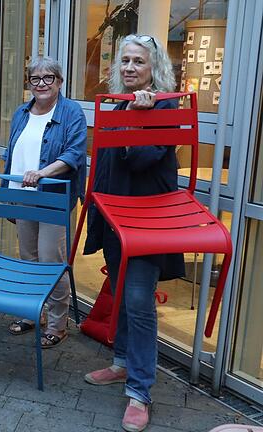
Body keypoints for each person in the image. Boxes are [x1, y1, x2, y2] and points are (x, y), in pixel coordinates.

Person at [82, 34, 182, 432]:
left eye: (138, 61)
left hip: (146, 222)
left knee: (139, 301)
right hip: (113, 218)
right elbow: (105, 162)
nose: (129, 68)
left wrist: (139, 116)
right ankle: (123, 364)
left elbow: (142, 159)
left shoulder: (164, 106)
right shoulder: (116, 102)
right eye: (125, 60)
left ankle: (140, 392)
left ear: (154, 67)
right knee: (122, 293)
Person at [2, 56, 87, 348]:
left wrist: (41, 174)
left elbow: (74, 155)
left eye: (48, 78)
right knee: (29, 259)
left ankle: (57, 323)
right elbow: (12, 154)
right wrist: (9, 192)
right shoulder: (21, 112)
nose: (41, 84)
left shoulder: (72, 112)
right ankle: (32, 314)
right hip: (23, 196)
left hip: (53, 197)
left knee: (51, 260)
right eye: (35, 79)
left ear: (59, 81)